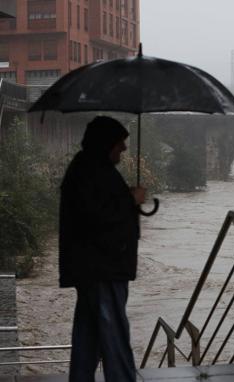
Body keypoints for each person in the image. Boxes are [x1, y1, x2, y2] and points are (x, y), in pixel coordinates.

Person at [59, 116, 146, 382]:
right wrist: (130, 199)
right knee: (114, 332)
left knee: (89, 332)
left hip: (95, 266)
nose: (124, 148)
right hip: (103, 267)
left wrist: (125, 197)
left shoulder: (89, 167)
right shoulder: (91, 170)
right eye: (120, 142)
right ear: (106, 143)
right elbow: (94, 216)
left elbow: (99, 207)